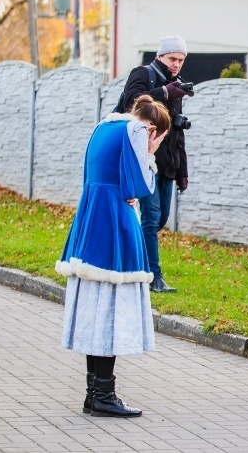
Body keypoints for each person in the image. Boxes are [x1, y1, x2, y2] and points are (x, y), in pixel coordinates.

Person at [56, 95, 171, 418]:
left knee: (96, 304)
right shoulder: (136, 130)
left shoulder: (103, 126)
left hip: (91, 217)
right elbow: (140, 187)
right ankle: (104, 395)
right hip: (114, 221)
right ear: (153, 129)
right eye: (158, 136)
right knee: (111, 306)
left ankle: (94, 393)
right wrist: (150, 153)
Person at [118, 35, 193, 292]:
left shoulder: (177, 86)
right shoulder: (143, 74)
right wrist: (164, 93)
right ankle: (153, 277)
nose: (176, 64)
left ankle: (130, 260)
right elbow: (131, 103)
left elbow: (177, 131)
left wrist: (182, 170)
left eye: (181, 60)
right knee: (150, 219)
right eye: (172, 58)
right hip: (145, 160)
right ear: (160, 56)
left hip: (168, 165)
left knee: (160, 219)